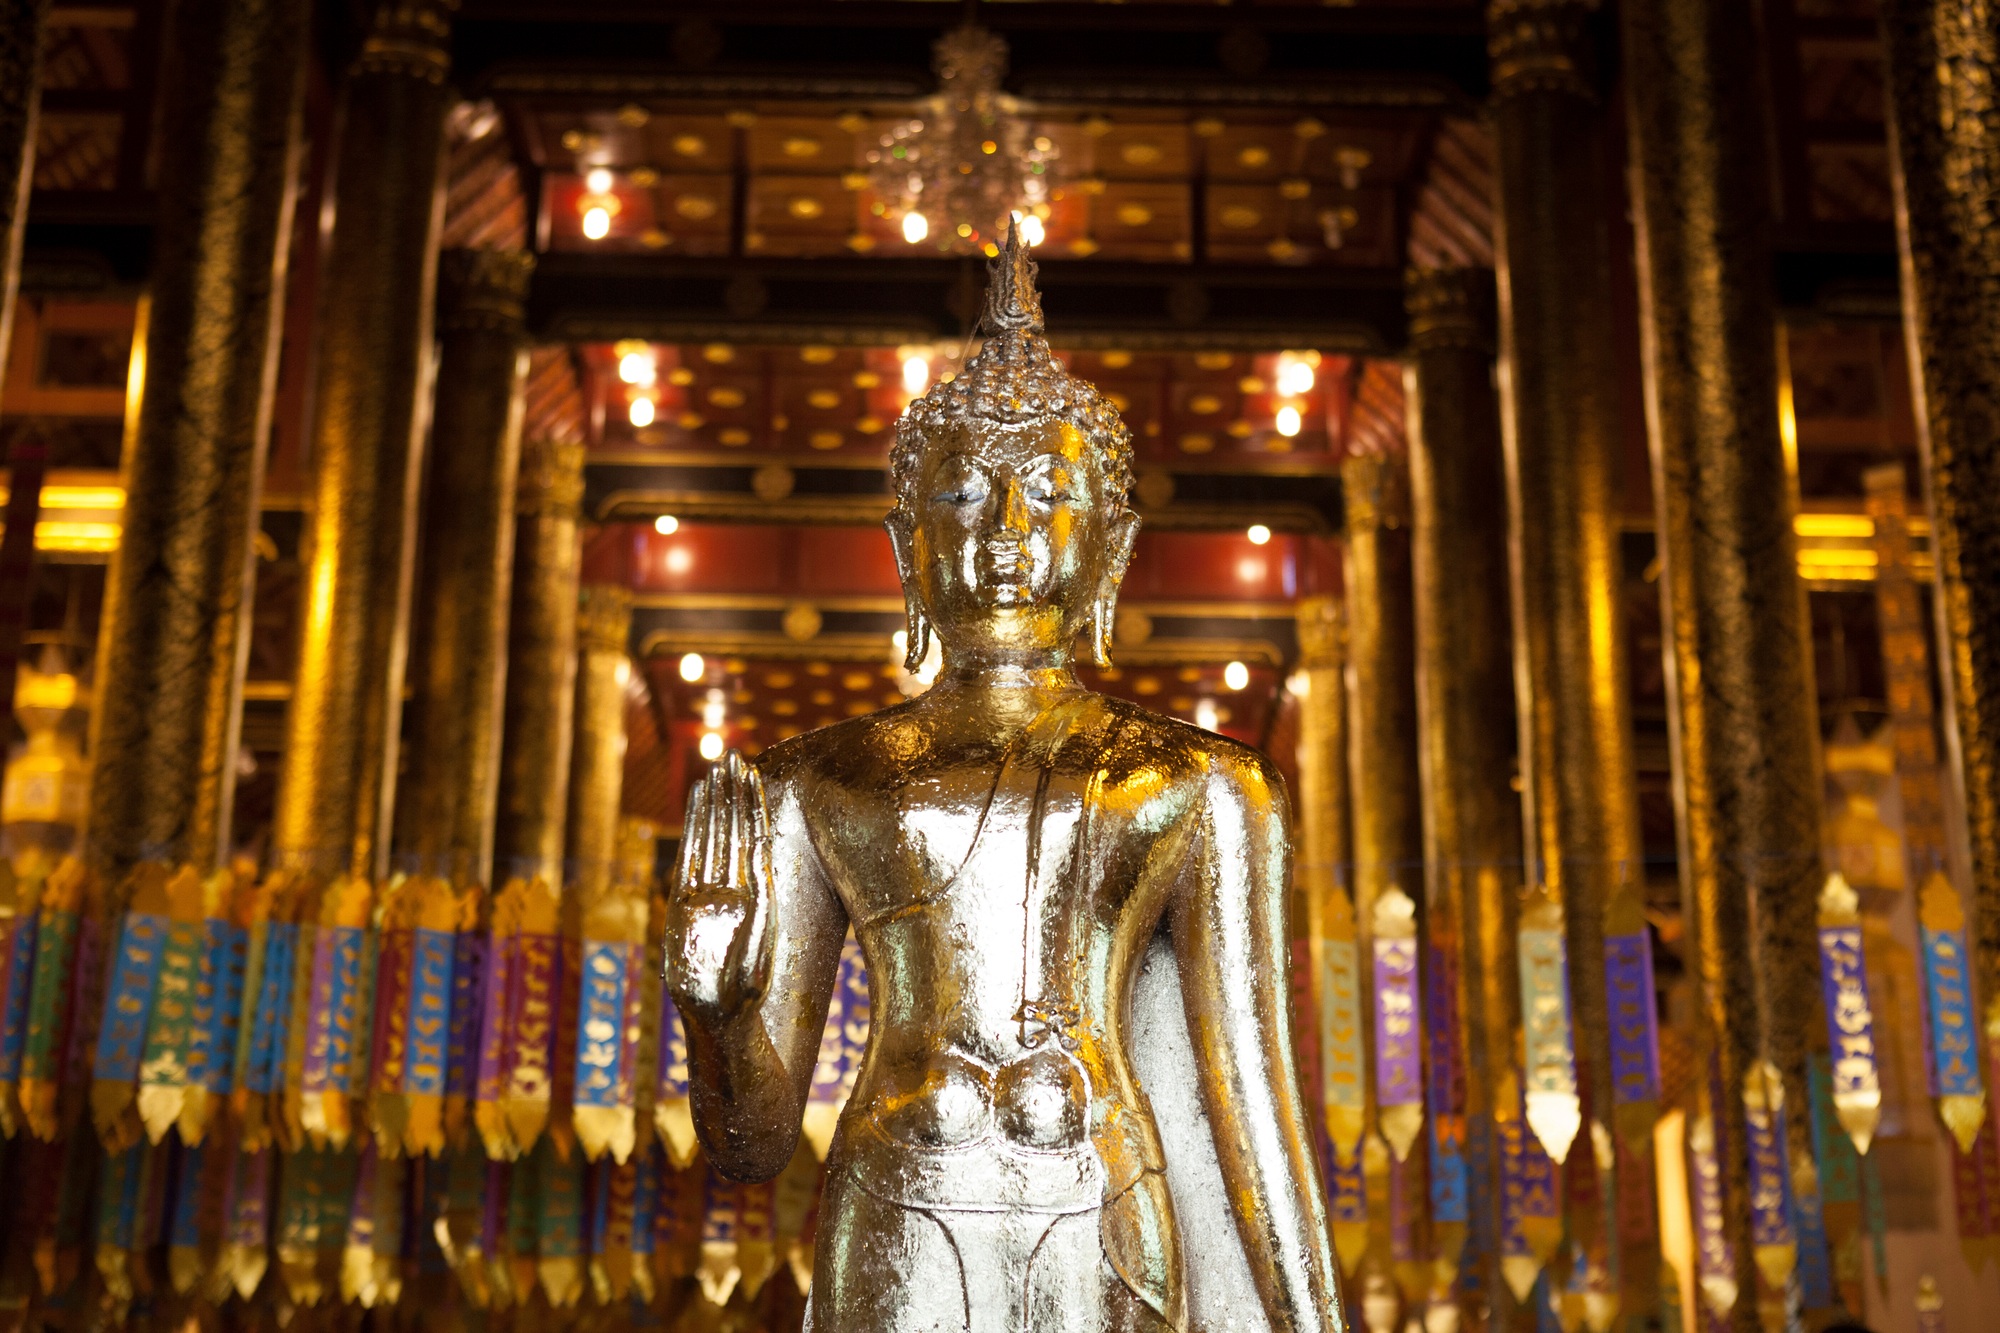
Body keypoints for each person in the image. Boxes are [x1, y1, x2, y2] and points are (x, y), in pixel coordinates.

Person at [664, 218, 1344, 1333]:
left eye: (1045, 495)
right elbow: (750, 1147)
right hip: (895, 1210)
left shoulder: (1202, 784)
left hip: (1100, 1211)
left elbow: (1253, 1109)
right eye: (967, 496)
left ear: (1110, 547)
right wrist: (716, 1011)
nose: (1008, 533)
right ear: (903, 546)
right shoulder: (810, 784)